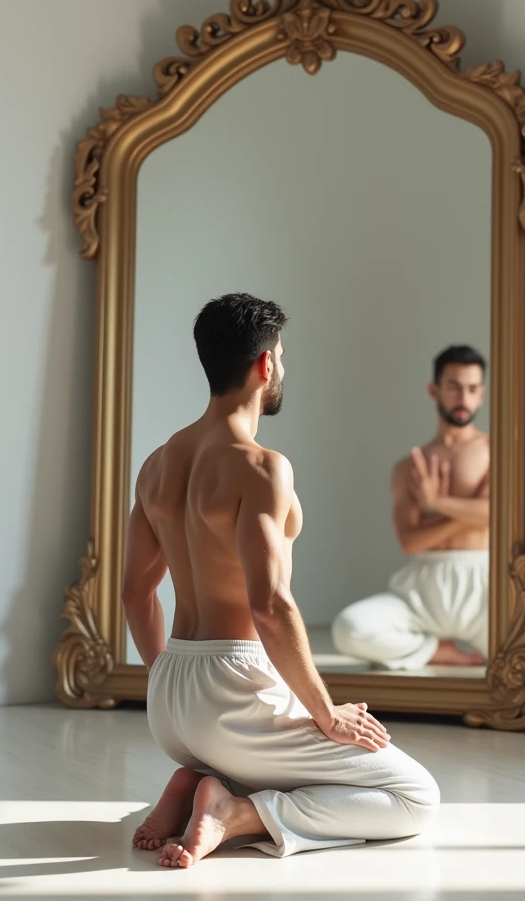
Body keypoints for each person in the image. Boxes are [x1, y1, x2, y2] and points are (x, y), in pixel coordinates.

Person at [123, 293, 439, 868]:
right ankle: (234, 812)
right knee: (414, 797)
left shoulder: (156, 464)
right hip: (231, 691)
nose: (282, 369)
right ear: (265, 363)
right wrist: (325, 712)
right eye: (282, 358)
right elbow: (270, 604)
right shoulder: (262, 466)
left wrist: (170, 677)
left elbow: (134, 592)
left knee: (241, 739)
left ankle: (199, 778)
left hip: (169, 700)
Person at [332, 345, 489, 670]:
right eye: (454, 386)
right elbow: (410, 542)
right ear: (434, 390)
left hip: (484, 588)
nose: (463, 397)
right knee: (349, 628)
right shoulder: (409, 467)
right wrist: (471, 512)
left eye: (472, 388)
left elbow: (496, 514)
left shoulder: (495, 450)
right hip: (423, 589)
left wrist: (436, 504)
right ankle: (433, 650)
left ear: (482, 394)